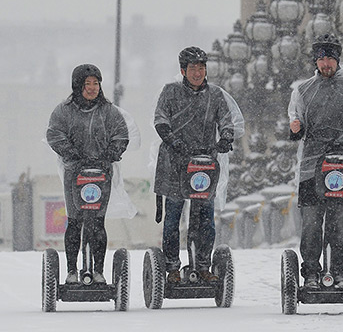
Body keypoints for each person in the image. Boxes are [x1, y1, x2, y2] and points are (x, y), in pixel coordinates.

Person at [288, 34, 343, 289]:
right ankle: (311, 273)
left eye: (330, 58)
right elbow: (298, 127)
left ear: (337, 59)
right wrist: (295, 128)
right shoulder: (304, 90)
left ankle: (340, 272)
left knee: (340, 222)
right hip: (312, 165)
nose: (325, 64)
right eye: (321, 59)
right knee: (311, 222)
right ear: (315, 61)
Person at [153, 46, 244, 284]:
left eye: (201, 68)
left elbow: (226, 120)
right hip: (174, 163)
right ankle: (172, 266)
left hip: (204, 163)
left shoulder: (215, 95)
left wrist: (225, 138)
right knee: (173, 217)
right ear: (183, 70)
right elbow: (160, 120)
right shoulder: (170, 92)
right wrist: (174, 141)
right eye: (192, 68)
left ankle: (203, 264)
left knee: (204, 217)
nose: (197, 73)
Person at [46, 64, 138, 284]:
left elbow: (120, 134)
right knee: (75, 221)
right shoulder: (64, 111)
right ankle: (71, 270)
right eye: (87, 84)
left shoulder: (109, 111)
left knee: (97, 222)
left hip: (101, 173)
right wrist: (72, 155)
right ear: (78, 85)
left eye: (96, 83)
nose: (92, 88)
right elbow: (54, 133)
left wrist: (110, 155)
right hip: (74, 173)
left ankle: (98, 270)